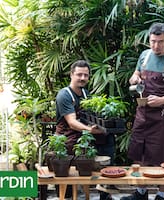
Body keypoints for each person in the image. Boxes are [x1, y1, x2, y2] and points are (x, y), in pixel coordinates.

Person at [121, 23, 164, 200]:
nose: (156, 46)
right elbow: (134, 76)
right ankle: (141, 192)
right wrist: (134, 78)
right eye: (153, 41)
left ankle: (161, 195)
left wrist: (161, 100)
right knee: (138, 152)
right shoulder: (144, 56)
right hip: (142, 115)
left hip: (162, 117)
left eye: (160, 42)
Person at [55, 60, 116, 200]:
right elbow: (72, 122)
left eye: (86, 75)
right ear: (71, 75)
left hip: (84, 137)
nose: (83, 78)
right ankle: (69, 195)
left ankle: (104, 191)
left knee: (108, 140)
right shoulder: (64, 95)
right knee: (68, 191)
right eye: (79, 75)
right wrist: (90, 130)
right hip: (68, 138)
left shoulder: (85, 93)